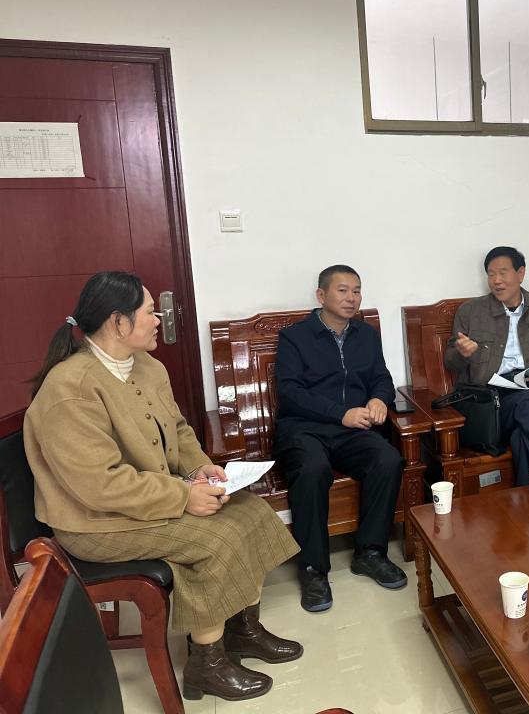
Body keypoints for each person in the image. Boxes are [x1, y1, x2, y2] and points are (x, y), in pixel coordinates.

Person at [23, 272, 301, 703]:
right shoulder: (70, 390)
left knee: (251, 510)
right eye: (151, 312)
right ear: (118, 322)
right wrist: (183, 496)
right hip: (94, 522)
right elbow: (100, 486)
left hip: (147, 497)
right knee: (214, 538)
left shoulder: (148, 367)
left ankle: (242, 629)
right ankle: (206, 663)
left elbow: (180, 431)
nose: (159, 320)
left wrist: (203, 470)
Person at [273, 264, 406, 614]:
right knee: (312, 469)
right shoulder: (295, 337)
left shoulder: (366, 334)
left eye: (356, 291)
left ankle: (370, 553)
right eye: (342, 290)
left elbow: (382, 377)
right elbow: (290, 393)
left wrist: (379, 399)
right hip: (304, 428)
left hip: (352, 430)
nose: (351, 298)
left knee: (388, 459)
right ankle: (313, 569)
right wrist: (339, 413)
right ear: (321, 295)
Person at [444, 246, 529, 487]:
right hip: (490, 405)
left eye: (503, 273)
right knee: (528, 404)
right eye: (491, 274)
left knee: (522, 435)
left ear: (520, 273)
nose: (497, 281)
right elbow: (450, 361)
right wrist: (462, 353)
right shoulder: (470, 312)